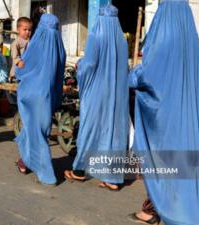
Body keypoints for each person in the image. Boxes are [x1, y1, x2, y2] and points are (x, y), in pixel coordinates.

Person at [126, 0, 199, 224]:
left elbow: (150, 77)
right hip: (186, 118)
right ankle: (156, 208)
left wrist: (134, 76)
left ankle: (159, 209)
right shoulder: (193, 44)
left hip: (165, 118)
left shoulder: (164, 38)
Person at [64, 5, 129, 191]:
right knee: (114, 132)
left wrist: (79, 64)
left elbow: (90, 64)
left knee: (89, 128)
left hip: (97, 92)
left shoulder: (96, 35)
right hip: (117, 93)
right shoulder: (121, 39)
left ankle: (79, 171)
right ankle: (114, 179)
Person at [15, 14, 66, 185]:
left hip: (32, 94)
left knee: (34, 132)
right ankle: (25, 161)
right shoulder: (60, 47)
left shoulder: (36, 45)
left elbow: (22, 70)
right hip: (48, 96)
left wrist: (19, 70)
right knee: (37, 130)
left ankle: (46, 174)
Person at [9, 17, 32, 82]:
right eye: (25, 30)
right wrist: (19, 62)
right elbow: (14, 55)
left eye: (29, 30)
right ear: (18, 29)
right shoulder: (16, 42)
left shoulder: (30, 42)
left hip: (26, 71)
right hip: (17, 72)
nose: (27, 32)